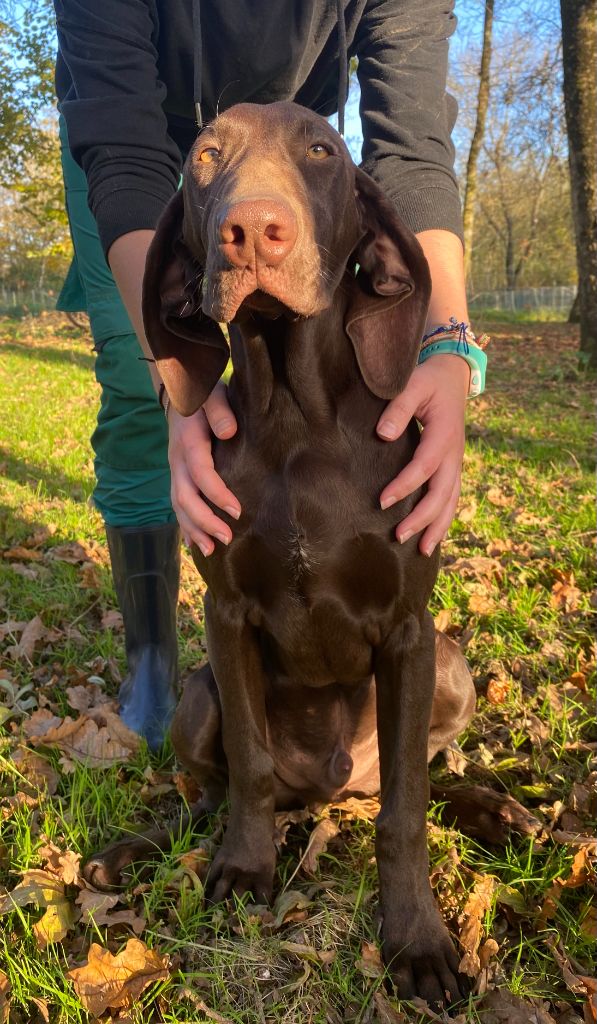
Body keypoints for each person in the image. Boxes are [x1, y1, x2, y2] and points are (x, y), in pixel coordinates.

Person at [53, 0, 487, 750]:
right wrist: (177, 385)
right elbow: (121, 147)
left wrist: (447, 344)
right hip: (137, 146)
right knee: (135, 377)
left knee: (324, 352)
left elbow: (410, 142)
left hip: (292, 141)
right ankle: (153, 660)